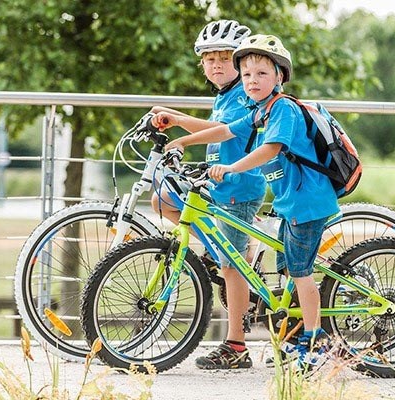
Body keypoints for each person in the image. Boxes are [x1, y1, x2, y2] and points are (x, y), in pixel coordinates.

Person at [166, 34, 340, 371]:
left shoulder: (284, 109)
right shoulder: (260, 111)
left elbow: (270, 149)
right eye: (246, 75)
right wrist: (183, 140)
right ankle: (296, 335)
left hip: (307, 202)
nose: (252, 81)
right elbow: (225, 131)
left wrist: (231, 167)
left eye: (262, 74)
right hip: (291, 202)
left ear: (279, 77)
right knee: (290, 268)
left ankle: (315, 343)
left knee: (301, 273)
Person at [150, 20, 267, 370]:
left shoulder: (243, 94)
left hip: (240, 188)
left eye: (224, 58)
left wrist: (178, 122)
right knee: (163, 201)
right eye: (208, 59)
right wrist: (174, 119)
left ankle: (236, 345)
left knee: (232, 268)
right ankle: (224, 252)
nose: (216, 65)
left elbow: (223, 133)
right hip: (219, 187)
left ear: (241, 62)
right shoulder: (222, 95)